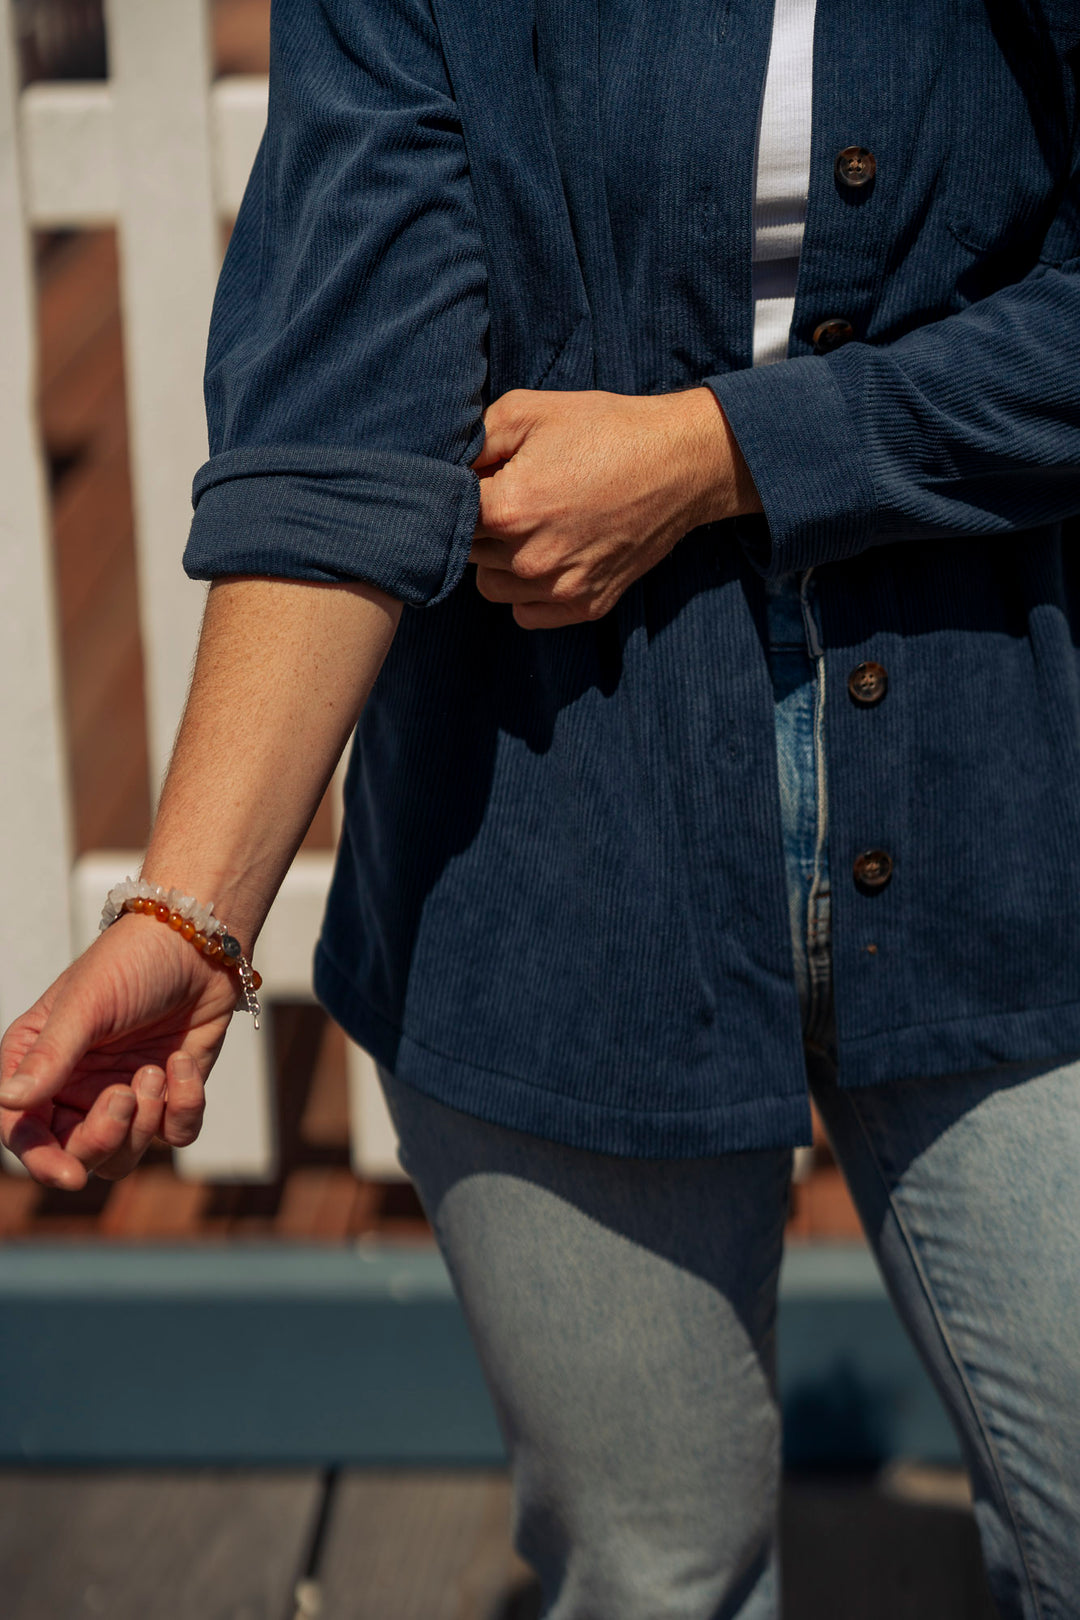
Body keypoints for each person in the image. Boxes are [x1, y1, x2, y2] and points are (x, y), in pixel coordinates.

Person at [4, 0, 1080, 1611]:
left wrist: (728, 450)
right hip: (555, 803)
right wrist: (189, 913)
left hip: (1014, 768)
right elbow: (346, 412)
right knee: (655, 1566)